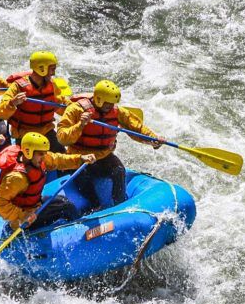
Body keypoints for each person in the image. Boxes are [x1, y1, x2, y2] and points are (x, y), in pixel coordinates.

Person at [57, 80, 164, 211]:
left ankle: (120, 204)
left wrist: (152, 138)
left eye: (112, 103)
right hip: (79, 155)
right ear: (98, 99)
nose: (110, 106)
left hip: (102, 155)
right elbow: (62, 137)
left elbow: (137, 128)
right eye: (108, 103)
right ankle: (94, 206)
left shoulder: (117, 111)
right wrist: (80, 125)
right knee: (83, 177)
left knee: (118, 170)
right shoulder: (76, 109)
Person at [0, 132, 95, 230]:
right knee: (67, 208)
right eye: (41, 154)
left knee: (62, 201)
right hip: (23, 220)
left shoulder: (37, 159)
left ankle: (74, 226)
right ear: (28, 152)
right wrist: (23, 215)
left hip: (34, 206)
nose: (44, 157)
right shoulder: (17, 178)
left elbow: (57, 160)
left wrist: (80, 158)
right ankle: (82, 231)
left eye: (44, 153)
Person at [0, 50, 67, 152]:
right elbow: (0, 112)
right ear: (42, 69)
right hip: (25, 134)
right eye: (52, 69)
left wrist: (73, 109)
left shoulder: (52, 84)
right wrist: (12, 103)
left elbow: (61, 104)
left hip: (46, 131)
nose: (54, 73)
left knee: (63, 155)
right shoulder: (17, 86)